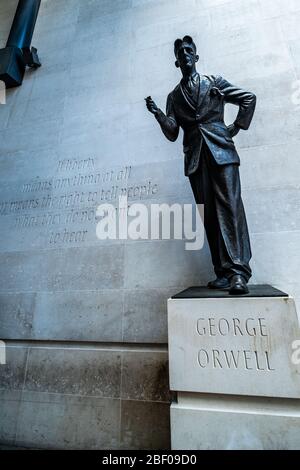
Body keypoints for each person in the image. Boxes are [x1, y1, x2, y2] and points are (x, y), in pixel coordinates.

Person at [145, 35, 256, 295]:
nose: (184, 53)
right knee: (209, 216)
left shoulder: (213, 82)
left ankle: (238, 272)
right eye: (180, 51)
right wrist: (158, 114)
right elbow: (173, 133)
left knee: (229, 208)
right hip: (196, 159)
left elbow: (248, 98)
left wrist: (235, 127)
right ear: (176, 62)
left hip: (222, 153)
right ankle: (222, 272)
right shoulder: (174, 96)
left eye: (188, 49)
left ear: (195, 56)